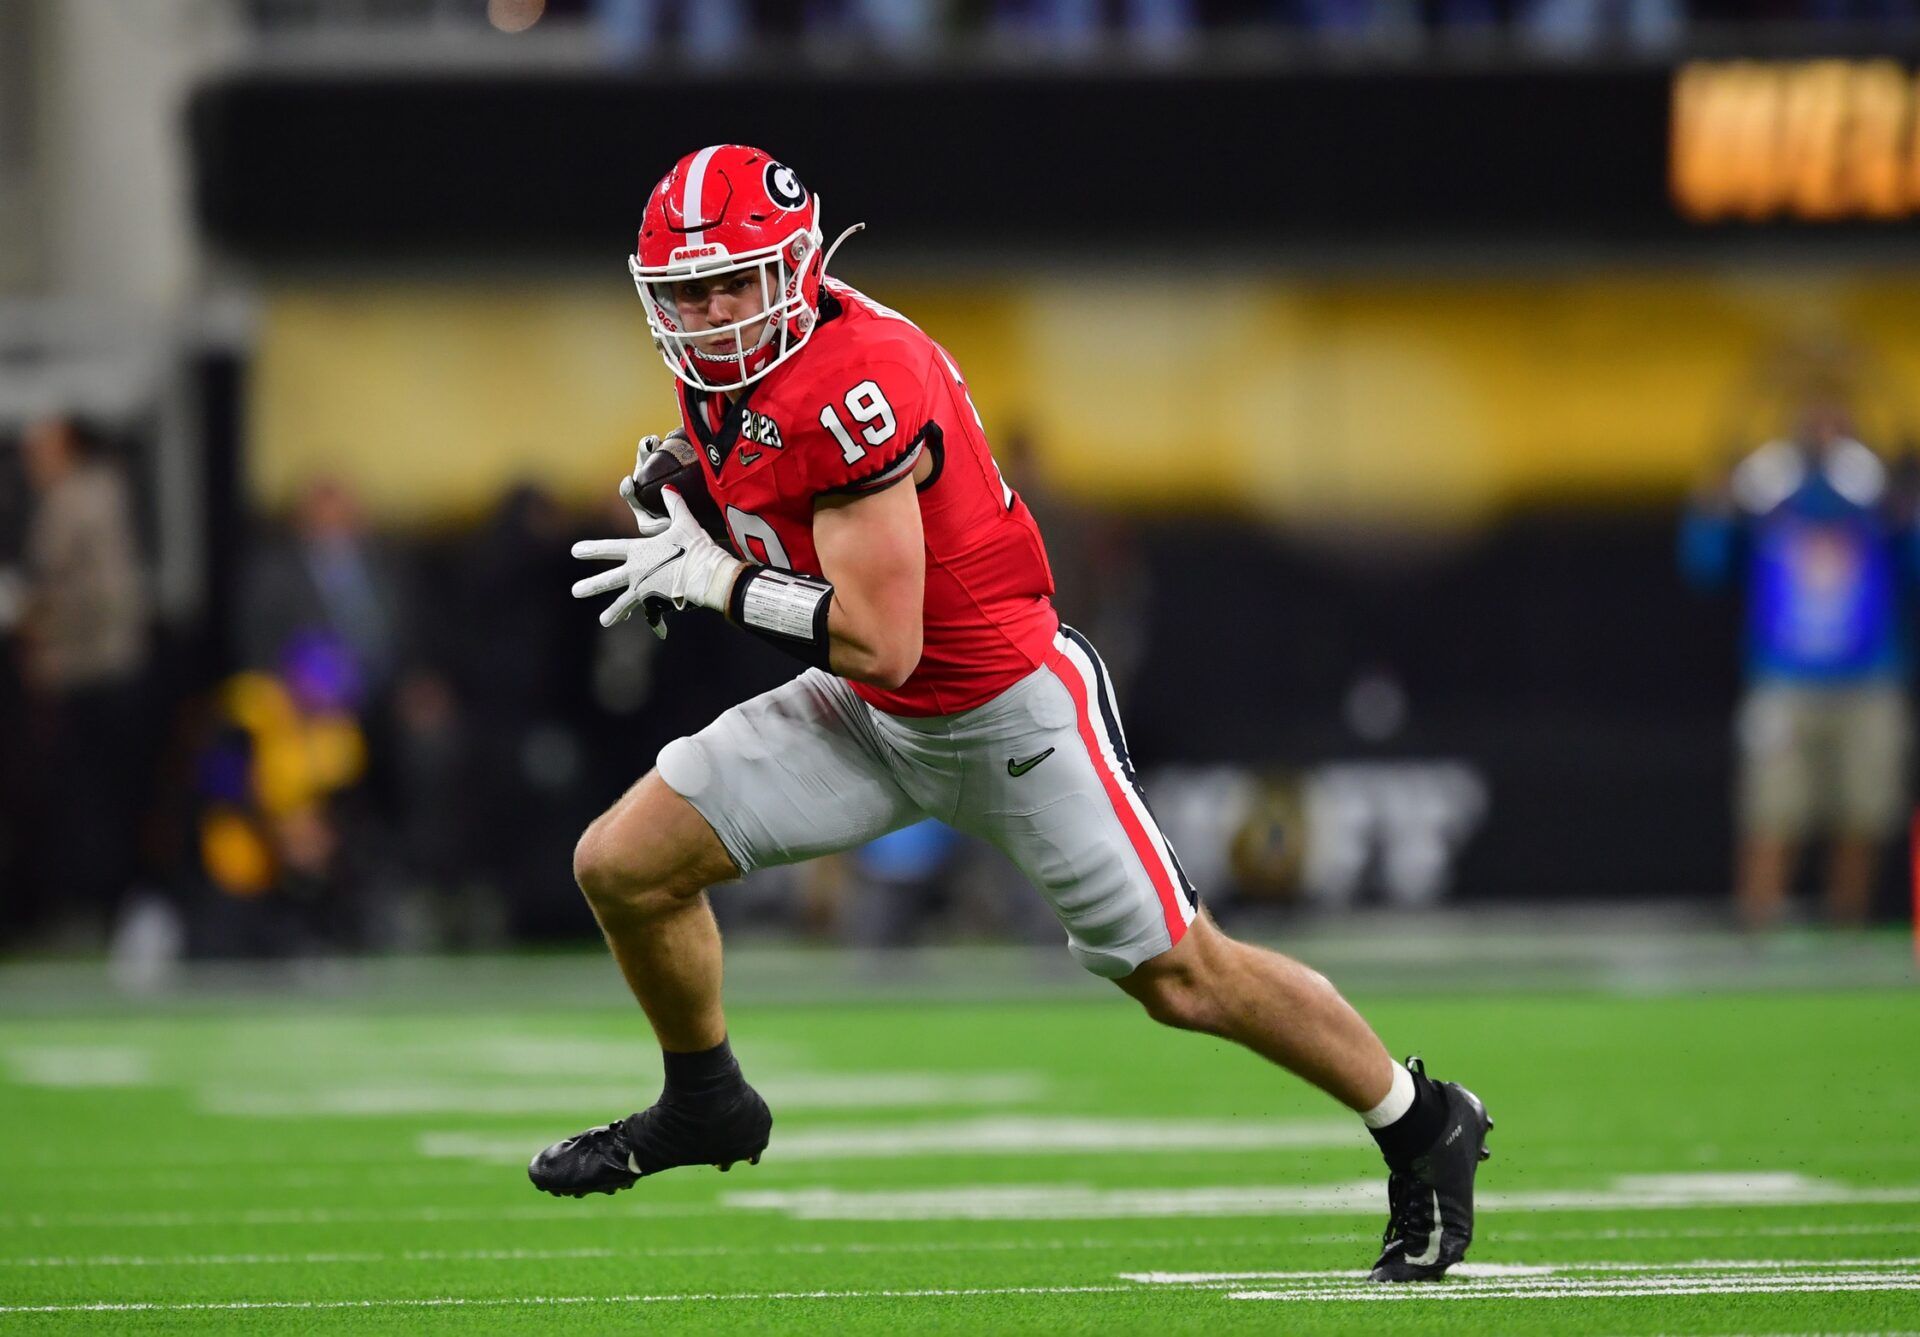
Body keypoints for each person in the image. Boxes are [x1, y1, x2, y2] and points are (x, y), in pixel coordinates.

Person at [531, 144, 1491, 1282]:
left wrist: (721, 578)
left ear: (794, 267)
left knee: (1186, 978)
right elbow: (792, 507)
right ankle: (706, 1101)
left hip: (1003, 712)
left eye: (735, 283)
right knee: (624, 863)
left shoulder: (856, 377)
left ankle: (1423, 1119)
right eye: (686, 293)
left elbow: (883, 628)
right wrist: (698, 475)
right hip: (875, 714)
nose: (711, 316)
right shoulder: (747, 370)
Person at [1681, 396, 1918, 929]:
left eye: (1837, 425)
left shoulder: (1876, 498)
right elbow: (1705, 564)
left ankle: (1846, 927)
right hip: (1784, 681)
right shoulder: (1773, 497)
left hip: (1868, 680)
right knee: (1771, 813)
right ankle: (1758, 928)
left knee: (1863, 814)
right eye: (1816, 425)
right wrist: (1714, 505)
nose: (1826, 438)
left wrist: (1908, 508)